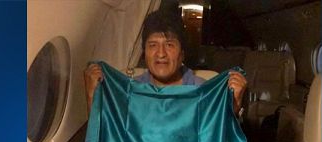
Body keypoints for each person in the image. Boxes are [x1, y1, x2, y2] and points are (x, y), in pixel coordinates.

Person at [84, 9, 247, 115]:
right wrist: (92, 94)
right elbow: (106, 136)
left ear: (182, 54)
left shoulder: (204, 91)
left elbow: (219, 140)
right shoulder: (130, 91)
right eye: (153, 45)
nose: (161, 54)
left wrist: (234, 104)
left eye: (169, 45)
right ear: (144, 53)